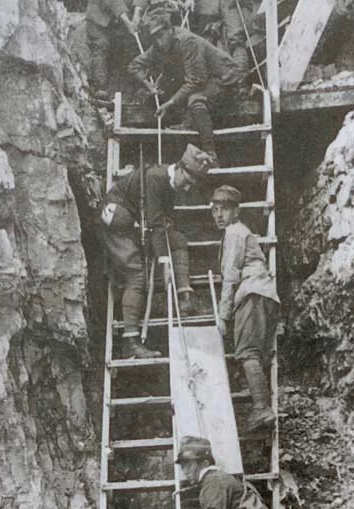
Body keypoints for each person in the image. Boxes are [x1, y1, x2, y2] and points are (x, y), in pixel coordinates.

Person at [101, 143, 216, 358]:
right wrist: (165, 263)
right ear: (181, 168)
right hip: (117, 221)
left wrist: (166, 234)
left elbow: (163, 222)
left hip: (137, 221)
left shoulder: (172, 185)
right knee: (136, 274)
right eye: (188, 181)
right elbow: (155, 225)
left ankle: (185, 297)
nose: (188, 188)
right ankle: (130, 341)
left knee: (178, 239)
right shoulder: (156, 178)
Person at [128, 12, 246, 160]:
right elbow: (134, 66)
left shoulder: (188, 41)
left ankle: (210, 153)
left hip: (225, 80)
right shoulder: (159, 46)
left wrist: (170, 103)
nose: (158, 42)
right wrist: (148, 85)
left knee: (196, 99)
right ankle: (188, 122)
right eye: (154, 38)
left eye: (160, 35)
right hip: (206, 82)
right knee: (178, 93)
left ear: (170, 29)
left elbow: (197, 80)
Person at [212, 184, 278, 431]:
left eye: (225, 209)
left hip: (251, 293)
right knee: (252, 353)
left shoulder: (235, 233)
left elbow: (231, 274)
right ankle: (261, 407)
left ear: (236, 211)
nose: (219, 214)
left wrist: (223, 315)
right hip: (262, 294)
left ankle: (261, 408)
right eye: (215, 209)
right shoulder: (237, 232)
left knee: (247, 352)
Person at [86, 0, 146, 103]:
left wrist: (137, 15)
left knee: (126, 48)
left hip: (119, 20)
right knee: (101, 46)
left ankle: (127, 90)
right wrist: (128, 22)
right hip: (100, 17)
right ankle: (100, 88)